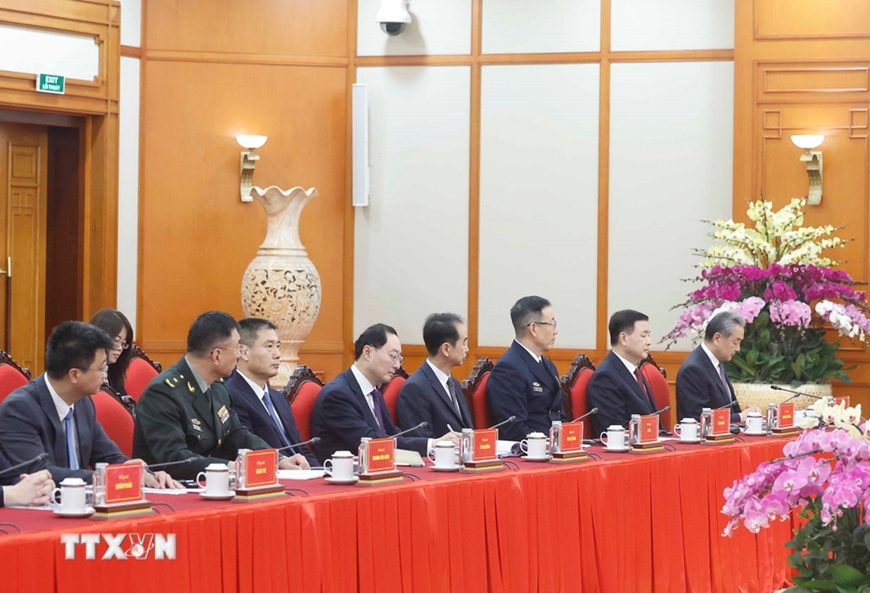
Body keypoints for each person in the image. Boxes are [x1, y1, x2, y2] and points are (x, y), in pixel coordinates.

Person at [0, 321, 179, 488]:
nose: (105, 376)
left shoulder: (83, 402)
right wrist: (106, 477)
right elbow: (39, 473)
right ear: (74, 375)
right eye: (102, 368)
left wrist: (140, 473)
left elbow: (108, 455)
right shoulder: (19, 409)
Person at [133, 311, 308, 479]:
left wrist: (277, 459)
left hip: (211, 484)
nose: (239, 355)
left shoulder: (217, 386)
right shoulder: (163, 392)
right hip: (169, 488)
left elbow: (237, 434)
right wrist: (232, 467)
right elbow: (176, 459)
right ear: (217, 355)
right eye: (237, 349)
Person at [310, 323, 460, 463]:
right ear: (367, 352)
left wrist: (436, 444)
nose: (397, 365)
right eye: (393, 356)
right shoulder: (337, 395)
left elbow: (392, 435)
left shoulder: (373, 392)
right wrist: (433, 444)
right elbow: (371, 443)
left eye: (399, 359)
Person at [225, 318, 316, 467]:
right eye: (269, 346)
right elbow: (247, 448)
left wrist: (320, 472)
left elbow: (300, 447)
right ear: (243, 352)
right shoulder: (230, 395)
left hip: (299, 473)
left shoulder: (277, 397)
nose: (278, 354)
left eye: (278, 346)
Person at [485, 296, 566, 442]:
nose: (556, 331)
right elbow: (513, 429)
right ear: (534, 328)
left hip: (554, 446)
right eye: (552, 323)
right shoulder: (508, 369)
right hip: (530, 449)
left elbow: (559, 416)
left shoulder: (548, 365)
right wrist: (549, 444)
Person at [396, 313, 474, 438]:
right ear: (446, 349)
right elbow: (419, 440)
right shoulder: (415, 388)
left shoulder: (453, 383)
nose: (467, 349)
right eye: (464, 343)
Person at [676, 311, 760, 422]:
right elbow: (698, 418)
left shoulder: (716, 362)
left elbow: (729, 408)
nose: (738, 349)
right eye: (735, 343)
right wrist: (740, 417)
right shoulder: (693, 369)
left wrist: (748, 414)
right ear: (717, 338)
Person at [587, 310, 658, 436]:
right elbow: (615, 431)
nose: (649, 341)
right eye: (643, 336)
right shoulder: (605, 378)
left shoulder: (634, 371)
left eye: (649, 335)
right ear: (623, 339)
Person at [89, 308, 137, 416]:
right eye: (116, 341)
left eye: (123, 343)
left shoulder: (112, 371)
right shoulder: (84, 375)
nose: (120, 348)